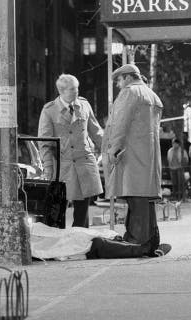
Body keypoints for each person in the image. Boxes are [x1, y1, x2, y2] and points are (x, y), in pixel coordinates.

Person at [102, 63, 169, 256]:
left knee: (136, 198)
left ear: (128, 77)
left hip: (131, 155)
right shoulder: (151, 95)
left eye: (119, 80)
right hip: (147, 156)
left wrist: (113, 150)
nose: (118, 85)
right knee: (145, 200)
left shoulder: (130, 93)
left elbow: (120, 124)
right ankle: (150, 240)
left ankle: (137, 243)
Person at [38, 74, 103, 228]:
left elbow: (96, 131)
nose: (76, 91)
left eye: (77, 88)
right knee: (57, 212)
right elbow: (45, 144)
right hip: (63, 167)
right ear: (61, 91)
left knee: (82, 214)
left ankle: (81, 244)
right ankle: (59, 245)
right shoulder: (49, 110)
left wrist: (110, 148)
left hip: (84, 164)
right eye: (72, 89)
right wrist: (49, 170)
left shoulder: (84, 105)